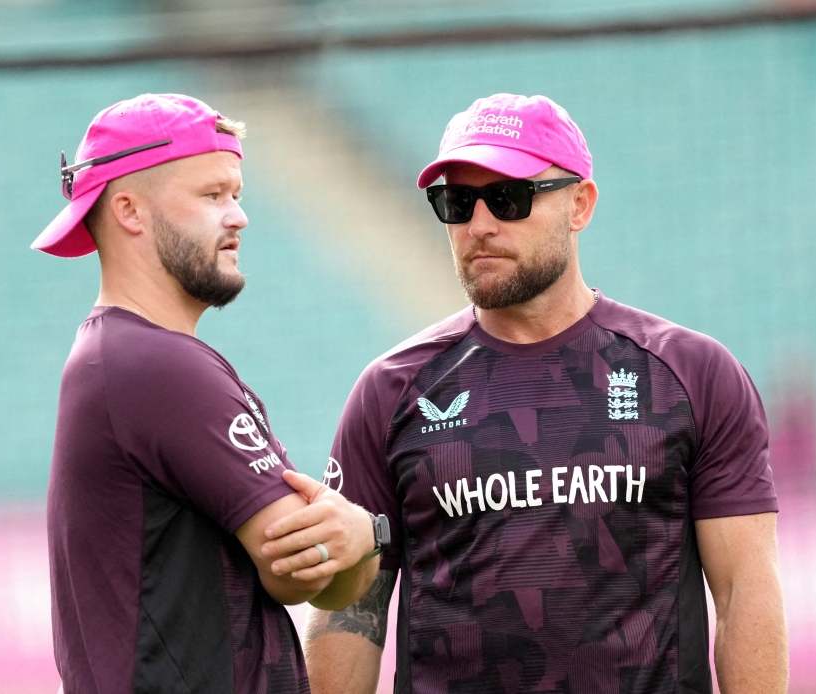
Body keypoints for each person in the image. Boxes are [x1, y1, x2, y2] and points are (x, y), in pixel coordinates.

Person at [303, 93, 788, 694]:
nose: (480, 225)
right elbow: (352, 611)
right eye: (456, 203)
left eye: (509, 198)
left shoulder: (692, 373)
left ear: (579, 204)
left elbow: (746, 590)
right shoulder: (390, 391)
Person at [32, 93, 385, 694]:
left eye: (237, 195)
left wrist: (351, 544)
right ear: (129, 211)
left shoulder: (118, 357)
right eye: (212, 194)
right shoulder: (155, 365)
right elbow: (299, 570)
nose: (239, 216)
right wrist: (366, 534)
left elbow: (323, 572)